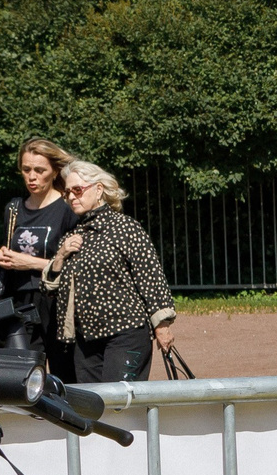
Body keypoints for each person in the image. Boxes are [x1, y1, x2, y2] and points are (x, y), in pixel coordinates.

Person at [43, 162, 178, 382]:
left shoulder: (125, 227)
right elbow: (49, 290)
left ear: (99, 189)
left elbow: (151, 278)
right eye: (67, 193)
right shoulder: (71, 236)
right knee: (93, 407)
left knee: (120, 406)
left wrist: (162, 326)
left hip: (126, 333)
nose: (71, 197)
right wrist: (60, 257)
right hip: (85, 341)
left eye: (78, 190)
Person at [0, 138, 76, 371]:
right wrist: (3, 256)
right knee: (23, 372)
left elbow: (74, 265)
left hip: (55, 300)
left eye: (40, 170)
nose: (32, 176)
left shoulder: (67, 208)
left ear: (54, 172)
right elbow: (11, 247)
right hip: (19, 301)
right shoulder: (14, 208)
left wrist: (29, 262)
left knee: (64, 371)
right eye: (26, 169)